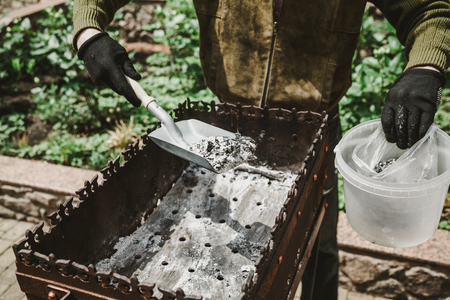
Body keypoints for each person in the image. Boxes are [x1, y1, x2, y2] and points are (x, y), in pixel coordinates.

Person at [72, 1, 450, 299]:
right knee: (226, 246)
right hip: (224, 128)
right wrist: (89, 31)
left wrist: (426, 68)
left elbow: (430, 10)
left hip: (314, 130)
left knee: (318, 247)